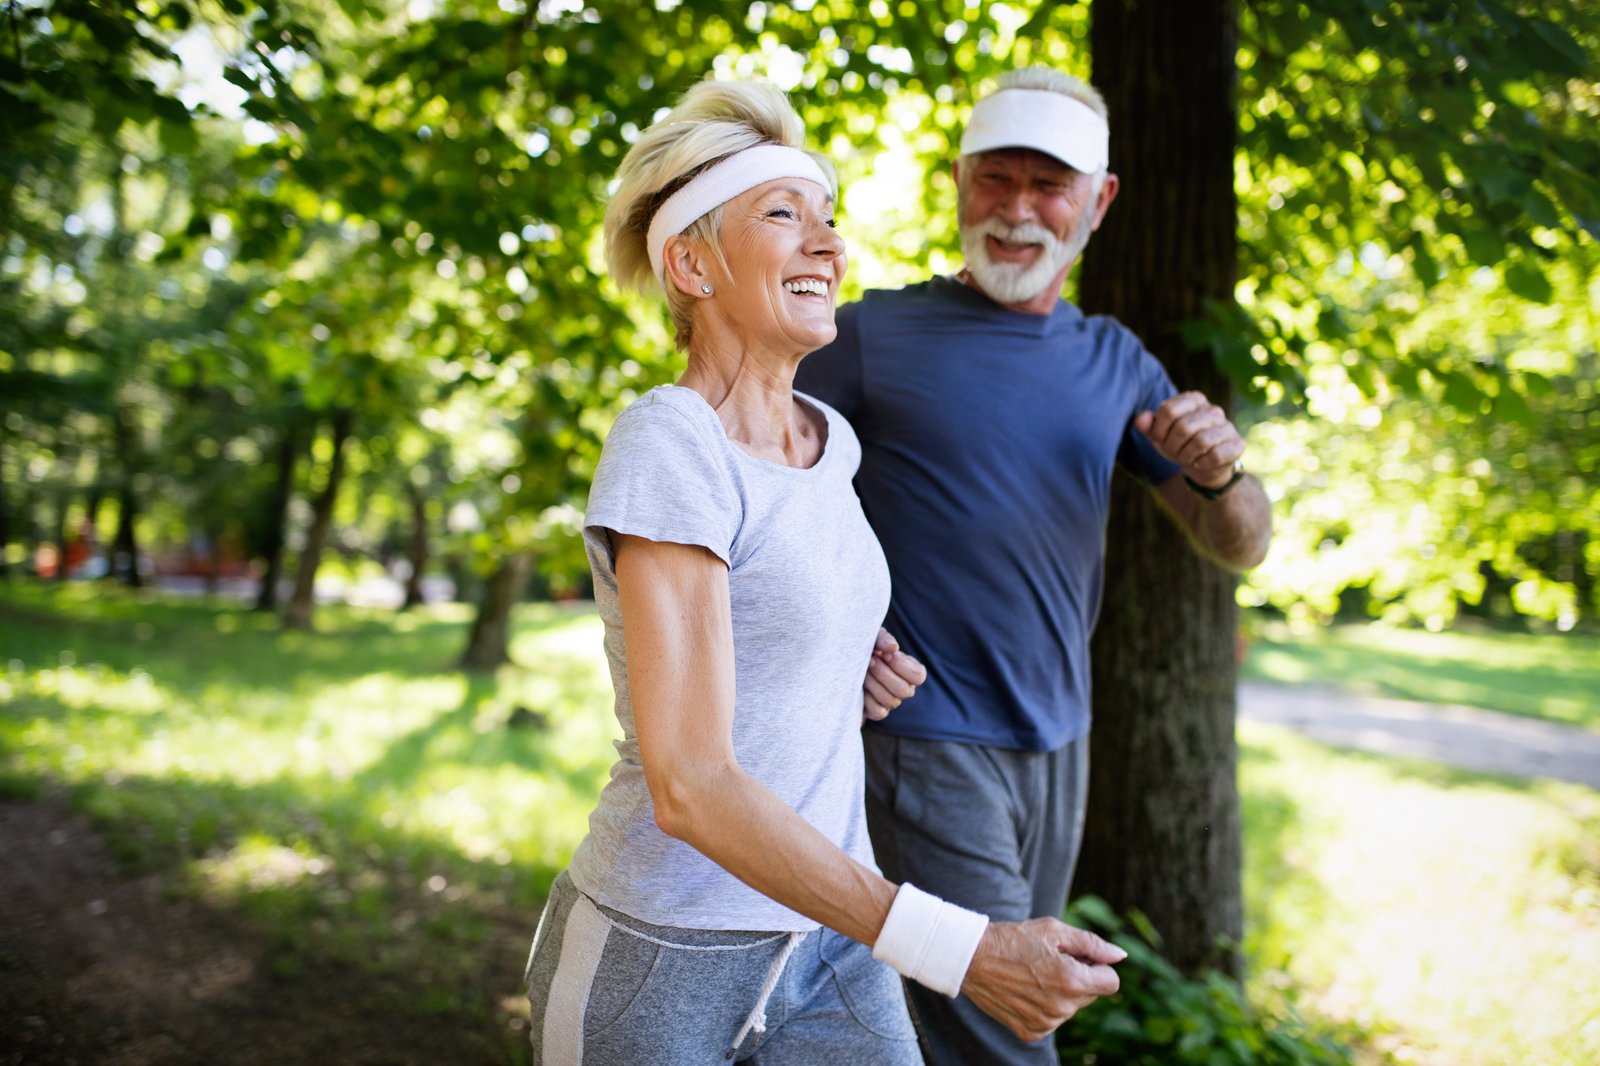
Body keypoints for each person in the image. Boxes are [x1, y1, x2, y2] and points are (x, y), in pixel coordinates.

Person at [521, 78, 1127, 1065]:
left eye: (828, 219)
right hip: (663, 943)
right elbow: (690, 781)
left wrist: (838, 668)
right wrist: (957, 945)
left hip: (827, 939)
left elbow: (762, 648)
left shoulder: (830, 445)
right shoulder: (672, 442)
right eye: (780, 214)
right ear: (691, 262)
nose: (827, 245)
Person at [795, 66, 1275, 1066]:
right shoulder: (870, 336)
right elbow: (744, 485)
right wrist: (833, 630)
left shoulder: (1116, 360)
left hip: (1059, 740)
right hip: (925, 734)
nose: (1016, 211)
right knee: (1006, 1017)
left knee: (961, 1008)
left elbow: (1237, 544)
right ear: (959, 180)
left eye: (1047, 185)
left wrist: (1224, 473)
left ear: (1097, 202)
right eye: (993, 179)